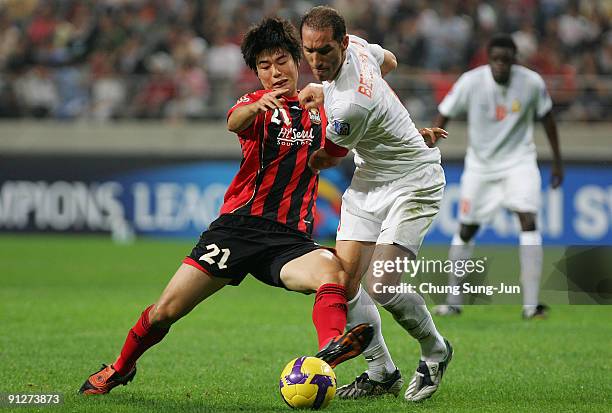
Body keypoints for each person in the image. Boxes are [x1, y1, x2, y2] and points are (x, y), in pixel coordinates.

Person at [79, 17, 373, 396]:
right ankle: (119, 368)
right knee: (166, 310)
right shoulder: (254, 103)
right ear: (256, 73)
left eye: (281, 61)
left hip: (289, 240)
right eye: (263, 66)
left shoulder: (325, 106)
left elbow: (366, 124)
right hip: (236, 231)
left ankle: (328, 352)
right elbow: (234, 122)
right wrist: (257, 107)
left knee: (333, 271)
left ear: (297, 60)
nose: (274, 72)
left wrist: (414, 135)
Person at [298, 6, 452, 402]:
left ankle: (436, 350)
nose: (316, 61)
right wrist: (394, 128)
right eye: (309, 51)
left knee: (381, 285)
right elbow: (391, 62)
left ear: (342, 43)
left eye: (324, 52)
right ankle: (381, 372)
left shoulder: (350, 105)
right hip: (370, 179)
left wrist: (293, 142)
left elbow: (325, 159)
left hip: (412, 182)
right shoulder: (361, 51)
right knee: (344, 282)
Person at [430, 34, 563, 320]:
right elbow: (444, 114)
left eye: (506, 60)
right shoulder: (471, 82)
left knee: (528, 219)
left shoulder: (531, 83)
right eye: (496, 60)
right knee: (467, 229)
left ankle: (531, 305)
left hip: (520, 162)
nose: (501, 65)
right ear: (489, 60)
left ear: (515, 61)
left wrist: (557, 162)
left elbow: (548, 119)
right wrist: (426, 153)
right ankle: (453, 301)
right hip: (480, 167)